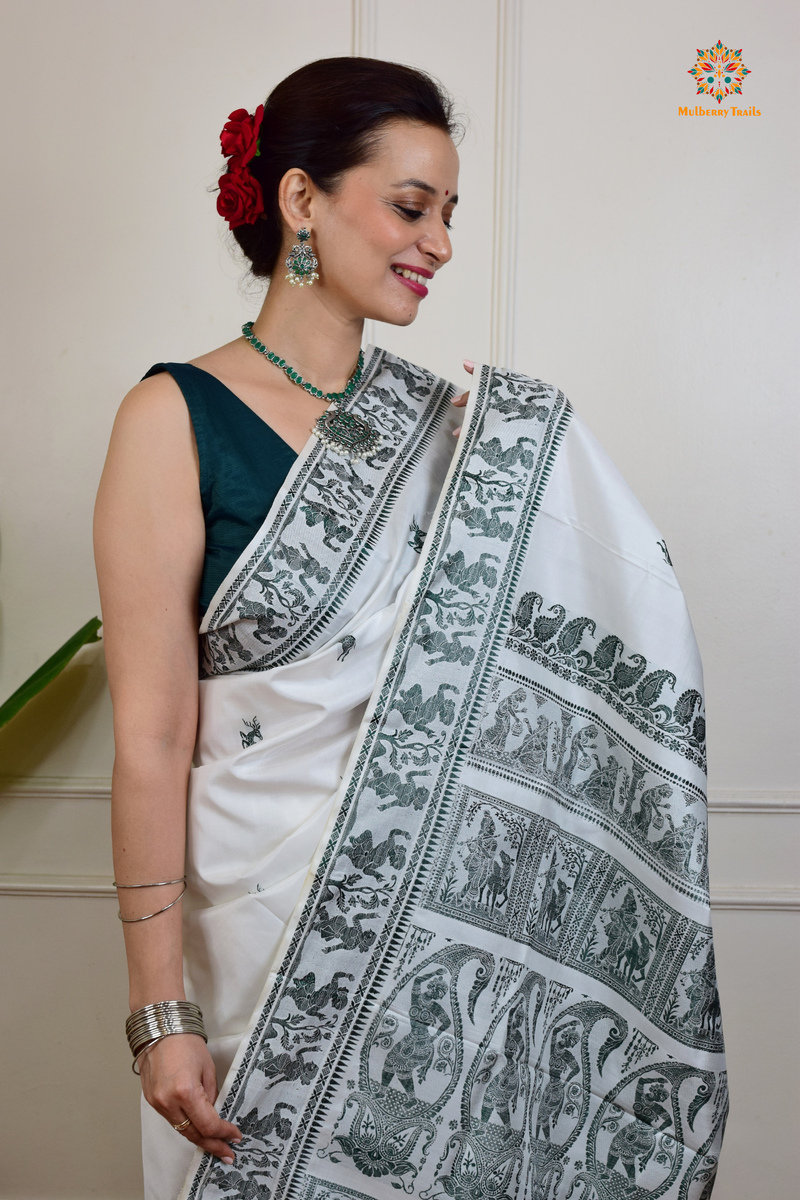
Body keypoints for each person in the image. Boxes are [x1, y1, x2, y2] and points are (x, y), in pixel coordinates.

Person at [94, 58, 727, 1200]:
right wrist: (160, 1012)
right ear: (299, 201)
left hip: (441, 971)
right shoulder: (172, 419)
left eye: (446, 214)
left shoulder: (462, 438)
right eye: (407, 206)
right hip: (249, 961)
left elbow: (608, 623)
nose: (437, 243)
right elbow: (147, 740)